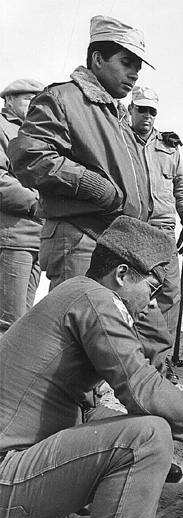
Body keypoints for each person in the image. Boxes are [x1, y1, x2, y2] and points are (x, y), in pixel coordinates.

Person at [0, 216, 183, 518]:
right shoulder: (96, 299)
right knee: (149, 437)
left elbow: (87, 408)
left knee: (114, 424)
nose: (151, 304)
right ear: (123, 274)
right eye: (152, 288)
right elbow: (141, 387)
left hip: (10, 460)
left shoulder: (74, 293)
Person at [8, 15, 174, 376]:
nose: (134, 74)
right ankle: (66, 428)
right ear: (98, 59)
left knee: (151, 337)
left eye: (138, 67)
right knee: (77, 349)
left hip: (118, 242)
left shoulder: (116, 114)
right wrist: (95, 187)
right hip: (79, 237)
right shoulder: (63, 99)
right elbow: (29, 156)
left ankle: (158, 421)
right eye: (126, 63)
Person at [129, 85, 183, 384]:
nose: (147, 116)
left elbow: (181, 187)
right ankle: (129, 359)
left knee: (170, 294)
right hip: (130, 229)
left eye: (152, 111)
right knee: (131, 293)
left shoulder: (170, 147)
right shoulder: (117, 138)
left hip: (163, 230)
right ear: (131, 109)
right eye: (141, 109)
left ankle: (163, 361)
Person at [0, 78, 44, 335]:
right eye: (28, 98)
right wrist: (36, 203)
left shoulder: (36, 132)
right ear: (8, 100)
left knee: (23, 323)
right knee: (9, 322)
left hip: (36, 238)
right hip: (12, 237)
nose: (34, 104)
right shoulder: (3, 127)